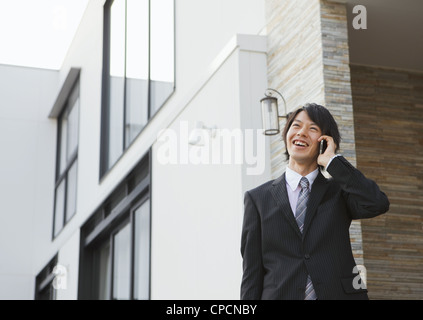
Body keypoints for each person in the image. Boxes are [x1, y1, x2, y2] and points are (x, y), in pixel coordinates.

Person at [240, 103, 389, 300]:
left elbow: (377, 203)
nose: (302, 133)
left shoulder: (338, 192)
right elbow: (252, 273)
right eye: (296, 126)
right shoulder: (257, 199)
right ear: (287, 134)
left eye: (312, 129)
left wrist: (333, 162)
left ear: (325, 142)